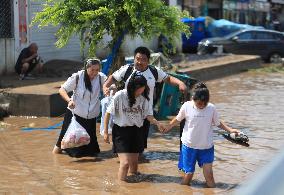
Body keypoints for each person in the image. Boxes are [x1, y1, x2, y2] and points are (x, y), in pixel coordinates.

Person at [103, 46, 186, 153]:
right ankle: (124, 163)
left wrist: (180, 83)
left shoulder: (154, 71)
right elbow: (113, 78)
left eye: (143, 59)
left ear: (148, 61)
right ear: (134, 59)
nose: (140, 62)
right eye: (137, 59)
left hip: (145, 112)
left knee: (139, 145)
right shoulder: (127, 69)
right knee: (122, 145)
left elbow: (168, 78)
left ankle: (135, 163)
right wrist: (105, 86)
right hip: (126, 112)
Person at [163, 82, 240, 187]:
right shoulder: (187, 106)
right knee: (188, 175)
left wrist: (230, 130)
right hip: (189, 146)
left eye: (204, 104)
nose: (202, 106)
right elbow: (178, 119)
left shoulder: (211, 108)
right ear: (193, 99)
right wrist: (168, 126)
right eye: (199, 103)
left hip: (206, 146)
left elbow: (218, 123)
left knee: (209, 176)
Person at [103, 74, 165, 181]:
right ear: (131, 87)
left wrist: (158, 123)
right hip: (121, 133)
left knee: (134, 166)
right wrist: (105, 132)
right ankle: (120, 188)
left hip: (137, 132)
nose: (139, 92)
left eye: (142, 89)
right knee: (125, 163)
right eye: (137, 90)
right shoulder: (120, 95)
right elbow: (108, 113)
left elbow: (148, 115)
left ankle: (134, 188)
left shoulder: (144, 99)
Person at [52, 58, 107, 158]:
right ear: (87, 68)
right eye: (92, 70)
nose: (94, 73)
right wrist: (69, 100)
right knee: (62, 142)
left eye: (97, 70)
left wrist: (109, 89)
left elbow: (109, 86)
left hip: (90, 118)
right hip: (75, 115)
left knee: (91, 151)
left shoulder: (101, 77)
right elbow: (62, 89)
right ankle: (55, 160)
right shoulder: (77, 77)